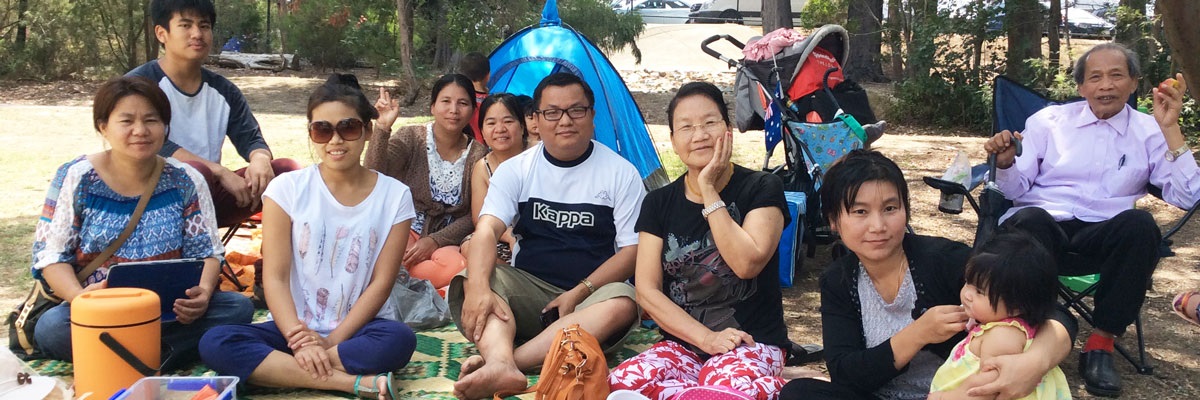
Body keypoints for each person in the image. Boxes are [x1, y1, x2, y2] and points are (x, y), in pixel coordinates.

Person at [983, 43, 1199, 397]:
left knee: (1141, 225)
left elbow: (1189, 197)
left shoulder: (1149, 130)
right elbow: (1016, 187)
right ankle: (1035, 330)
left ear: (1134, 83)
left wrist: (1171, 129)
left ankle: (1101, 343)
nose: (1106, 86)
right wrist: (1006, 163)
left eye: (1117, 75)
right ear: (1081, 87)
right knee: (1028, 220)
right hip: (1045, 223)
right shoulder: (1049, 121)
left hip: (1105, 232)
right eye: (1095, 77)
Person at [779, 150, 1073, 400]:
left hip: (961, 395)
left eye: (890, 208)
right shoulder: (838, 281)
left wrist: (1034, 362)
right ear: (833, 221)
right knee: (799, 392)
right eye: (860, 212)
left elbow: (1054, 315)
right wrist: (918, 334)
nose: (878, 225)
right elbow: (846, 375)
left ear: (905, 210)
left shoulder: (946, 261)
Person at [198, 74, 417, 400]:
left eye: (349, 127)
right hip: (290, 328)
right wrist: (298, 338)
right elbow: (274, 276)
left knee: (399, 339)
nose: (335, 140)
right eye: (322, 129)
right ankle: (350, 383)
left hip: (355, 331)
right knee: (215, 342)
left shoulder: (395, 196)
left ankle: (280, 370)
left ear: (368, 131)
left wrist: (330, 342)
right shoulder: (286, 189)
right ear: (312, 134)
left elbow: (381, 284)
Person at [30, 76, 254, 369]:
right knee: (51, 327)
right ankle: (162, 353)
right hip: (101, 311)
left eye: (151, 120)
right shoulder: (77, 177)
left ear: (165, 127)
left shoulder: (186, 179)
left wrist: (201, 294)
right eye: (126, 121)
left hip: (169, 309)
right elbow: (51, 257)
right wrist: (79, 298)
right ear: (103, 127)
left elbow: (207, 253)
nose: (140, 130)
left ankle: (125, 354)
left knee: (238, 308)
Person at [449, 72, 645, 400]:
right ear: (536, 121)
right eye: (552, 112)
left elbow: (631, 252)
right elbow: (485, 231)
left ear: (592, 116)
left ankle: (505, 362)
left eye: (576, 110)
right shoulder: (517, 169)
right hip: (529, 292)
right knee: (474, 275)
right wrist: (480, 288)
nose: (564, 120)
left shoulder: (620, 173)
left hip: (590, 298)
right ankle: (500, 361)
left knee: (625, 302)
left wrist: (578, 293)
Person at [607, 82, 789, 399]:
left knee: (718, 393)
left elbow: (747, 263)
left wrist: (708, 190)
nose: (700, 135)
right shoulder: (659, 203)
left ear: (728, 130)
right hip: (684, 344)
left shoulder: (762, 187)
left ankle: (761, 388)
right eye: (687, 127)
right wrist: (705, 339)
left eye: (709, 123)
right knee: (617, 384)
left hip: (750, 342)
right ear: (674, 142)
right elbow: (647, 290)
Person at [127, 0, 299, 228]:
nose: (197, 34)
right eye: (186, 25)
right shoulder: (138, 86)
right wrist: (217, 171)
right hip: (148, 199)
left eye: (204, 26)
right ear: (161, 33)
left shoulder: (223, 90)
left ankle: (276, 261)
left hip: (207, 198)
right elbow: (153, 145)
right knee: (197, 173)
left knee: (286, 173)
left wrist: (260, 159)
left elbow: (250, 137)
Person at [367, 74, 487, 291]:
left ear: (471, 110)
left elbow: (474, 214)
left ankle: (402, 283)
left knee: (457, 266)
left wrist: (434, 240)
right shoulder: (412, 137)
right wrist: (382, 128)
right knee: (383, 255)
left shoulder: (478, 153)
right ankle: (420, 286)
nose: (454, 110)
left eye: (463, 103)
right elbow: (374, 173)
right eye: (446, 101)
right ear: (432, 106)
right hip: (405, 229)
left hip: (449, 240)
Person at [929, 234, 1070, 400]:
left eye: (979, 291)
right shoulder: (999, 324)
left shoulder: (1003, 336)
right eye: (968, 282)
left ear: (1017, 306)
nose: (967, 294)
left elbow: (988, 389)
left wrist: (944, 397)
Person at [460, 93, 531, 263]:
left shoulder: (538, 156)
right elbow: (480, 218)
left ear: (522, 127)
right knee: (470, 245)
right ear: (483, 132)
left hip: (539, 233)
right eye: (491, 123)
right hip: (502, 234)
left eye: (508, 121)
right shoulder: (483, 167)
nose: (500, 129)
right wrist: (511, 237)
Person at [459, 51, 491, 143]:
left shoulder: (459, 100)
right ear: (488, 75)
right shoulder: (491, 102)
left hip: (463, 146)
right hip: (485, 148)